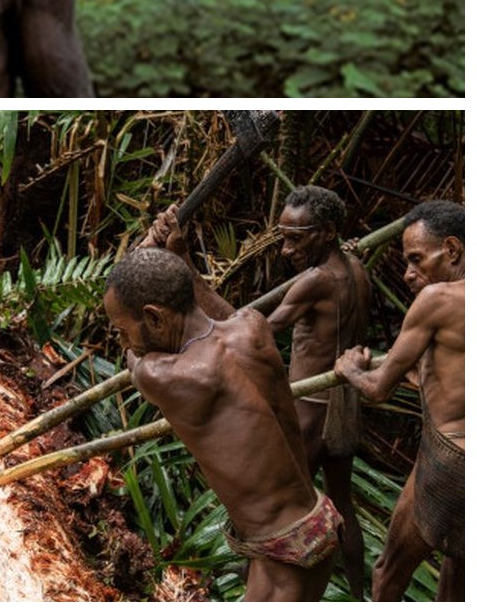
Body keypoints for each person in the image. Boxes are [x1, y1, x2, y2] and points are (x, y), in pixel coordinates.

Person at [104, 248, 340, 601]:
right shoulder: (252, 326)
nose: (124, 341)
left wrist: (132, 345)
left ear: (154, 318)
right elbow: (211, 314)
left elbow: (135, 362)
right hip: (316, 517)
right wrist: (179, 255)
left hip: (281, 553)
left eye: (122, 330)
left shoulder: (165, 376)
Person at [335, 199, 464, 601]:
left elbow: (376, 389)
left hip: (450, 457)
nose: (408, 274)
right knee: (459, 570)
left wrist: (350, 368)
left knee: (388, 573)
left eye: (416, 259)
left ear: (453, 249)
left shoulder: (438, 299)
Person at [263, 185, 370, 596]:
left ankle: (270, 590)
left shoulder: (315, 281)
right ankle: (359, 596)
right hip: (345, 402)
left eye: (296, 237)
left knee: (282, 507)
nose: (287, 249)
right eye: (283, 237)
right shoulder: (356, 268)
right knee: (342, 503)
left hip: (309, 407)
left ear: (327, 232)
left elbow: (263, 332)